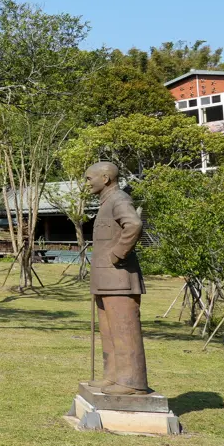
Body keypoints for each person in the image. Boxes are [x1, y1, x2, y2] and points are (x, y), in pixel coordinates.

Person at [84, 161, 150, 394]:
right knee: (109, 332)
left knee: (124, 330)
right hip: (106, 281)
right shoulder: (106, 202)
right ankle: (113, 376)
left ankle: (131, 382)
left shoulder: (119, 199)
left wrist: (116, 254)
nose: (87, 182)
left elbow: (133, 224)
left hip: (119, 279)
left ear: (105, 178)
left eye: (89, 178)